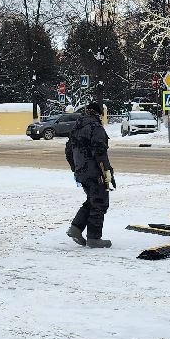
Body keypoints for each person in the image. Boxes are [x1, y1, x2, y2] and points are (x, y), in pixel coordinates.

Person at [64, 101, 114, 248]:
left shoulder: (76, 127)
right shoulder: (96, 127)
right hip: (95, 172)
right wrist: (107, 172)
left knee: (92, 200)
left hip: (81, 172)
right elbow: (100, 152)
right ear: (98, 114)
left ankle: (76, 228)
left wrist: (76, 168)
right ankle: (94, 238)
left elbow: (68, 151)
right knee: (99, 202)